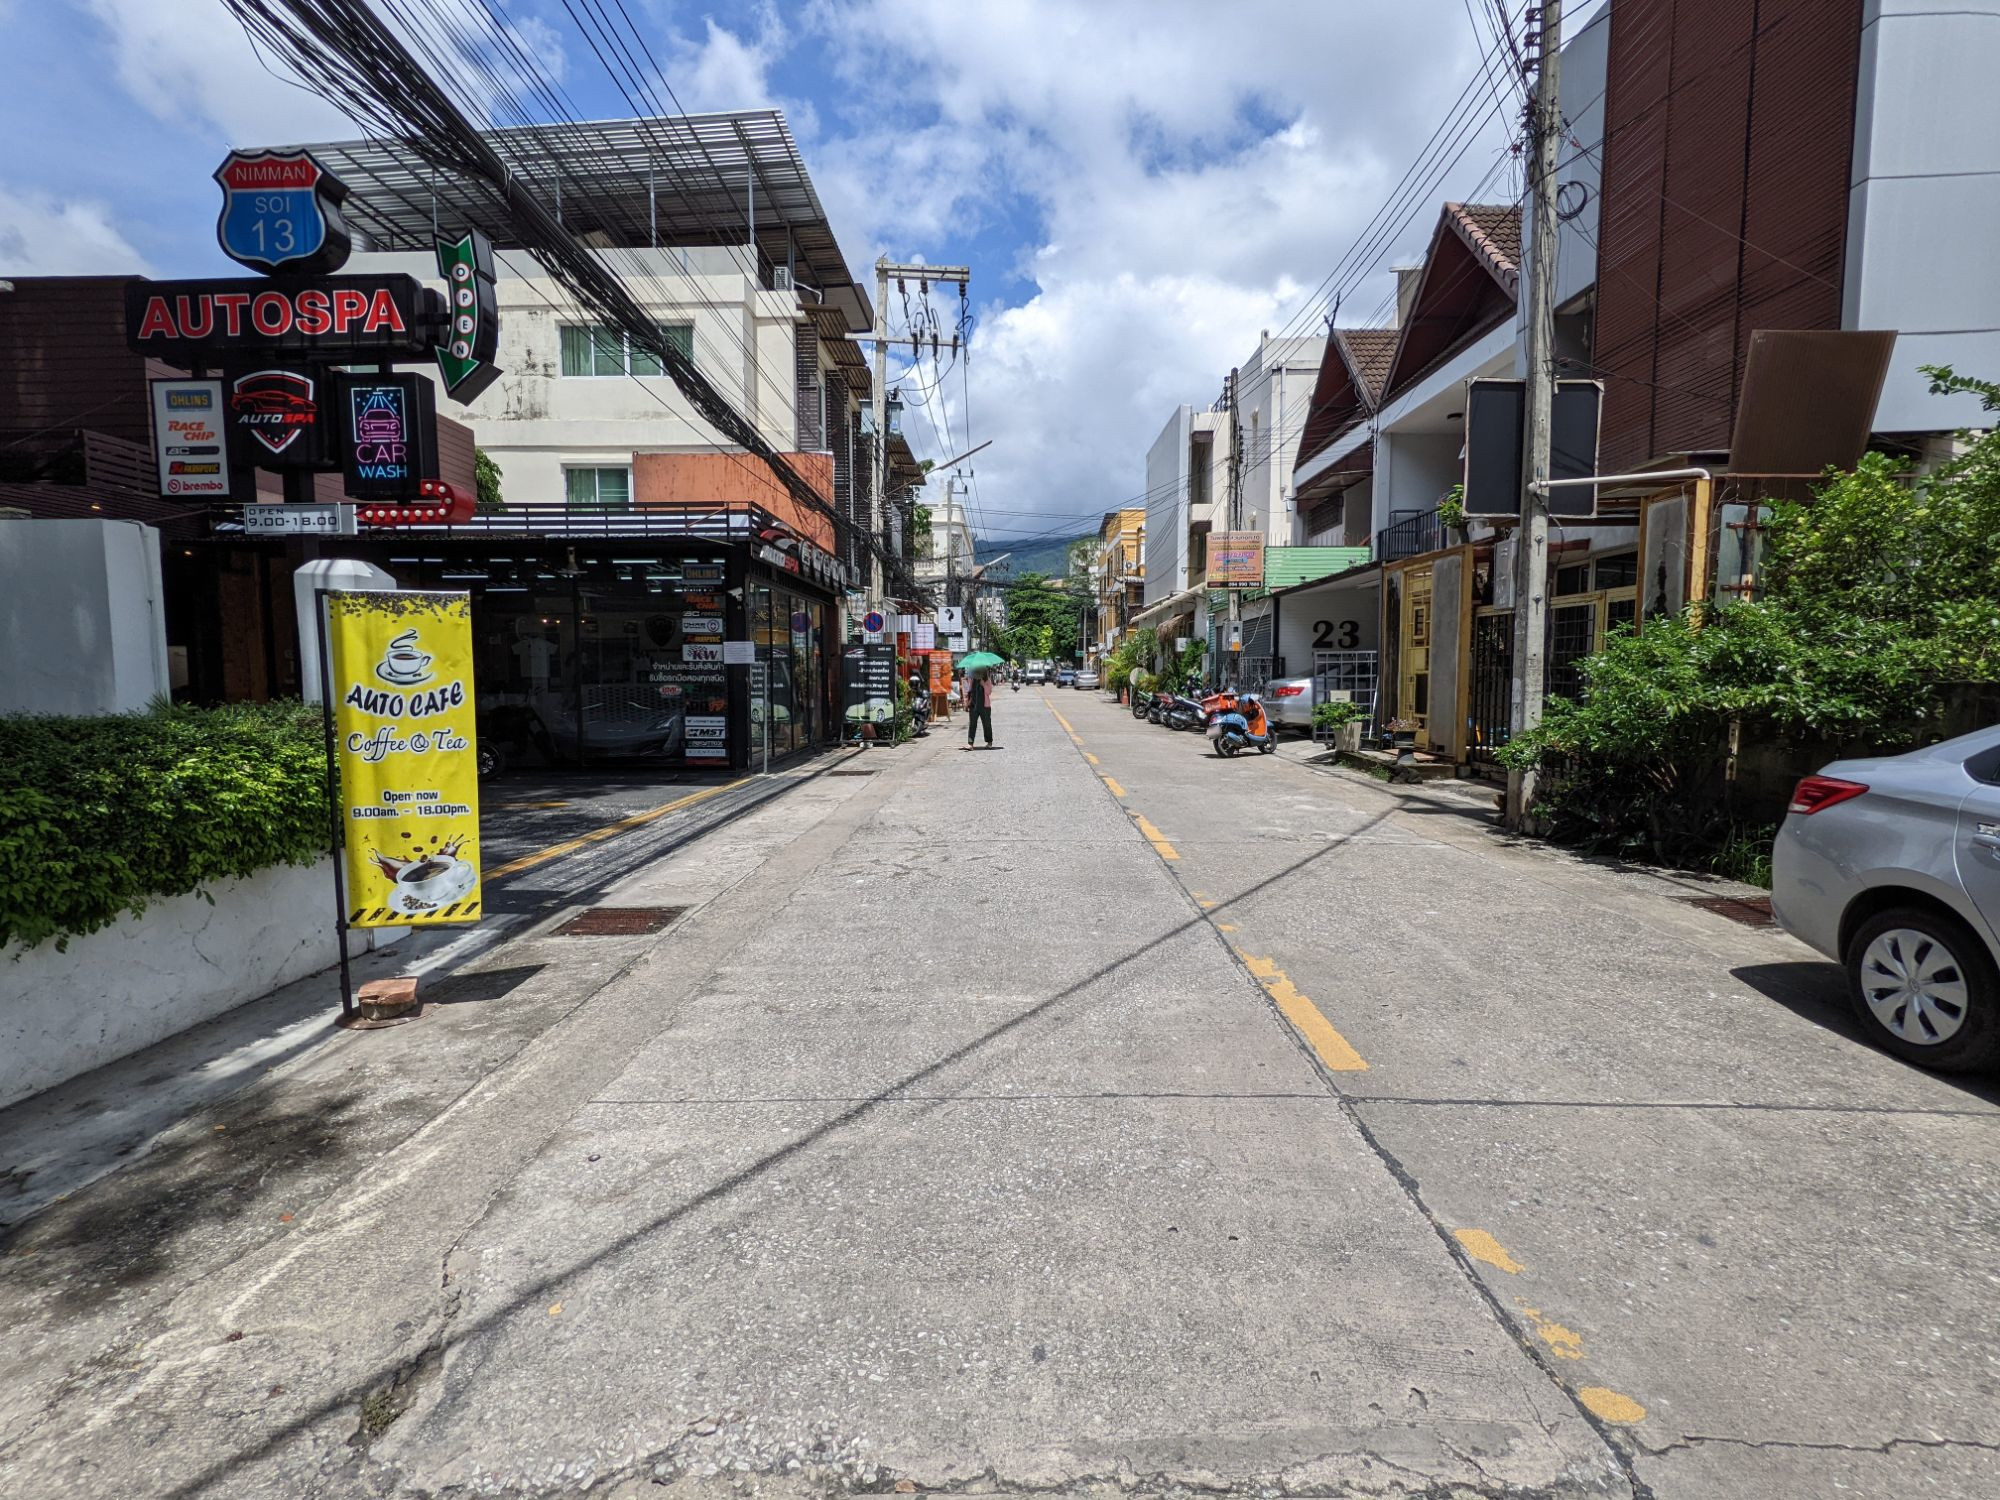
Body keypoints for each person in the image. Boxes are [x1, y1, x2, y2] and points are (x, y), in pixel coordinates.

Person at [964, 668, 994, 748]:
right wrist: (967, 703)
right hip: (973, 705)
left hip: (985, 706)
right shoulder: (971, 680)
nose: (978, 673)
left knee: (987, 724)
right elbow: (968, 691)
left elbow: (989, 692)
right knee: (972, 725)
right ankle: (970, 743)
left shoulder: (987, 680)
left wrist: (983, 684)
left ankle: (989, 742)